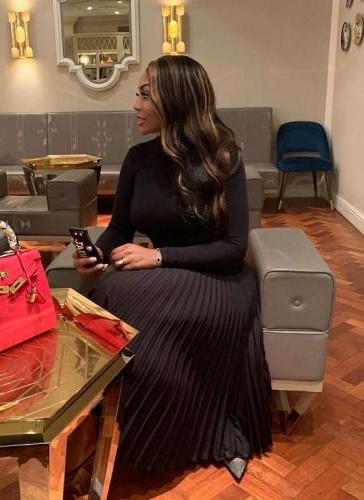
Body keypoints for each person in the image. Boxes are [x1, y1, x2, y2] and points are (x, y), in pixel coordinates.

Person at [73, 55, 273, 477]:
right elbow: (120, 229)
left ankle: (164, 435)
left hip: (219, 280)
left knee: (121, 298)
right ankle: (126, 428)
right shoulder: (138, 158)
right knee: (106, 291)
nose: (136, 104)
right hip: (162, 275)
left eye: (146, 95)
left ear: (176, 100)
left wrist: (159, 256)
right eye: (138, 94)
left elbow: (234, 247)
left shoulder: (223, 157)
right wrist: (95, 254)